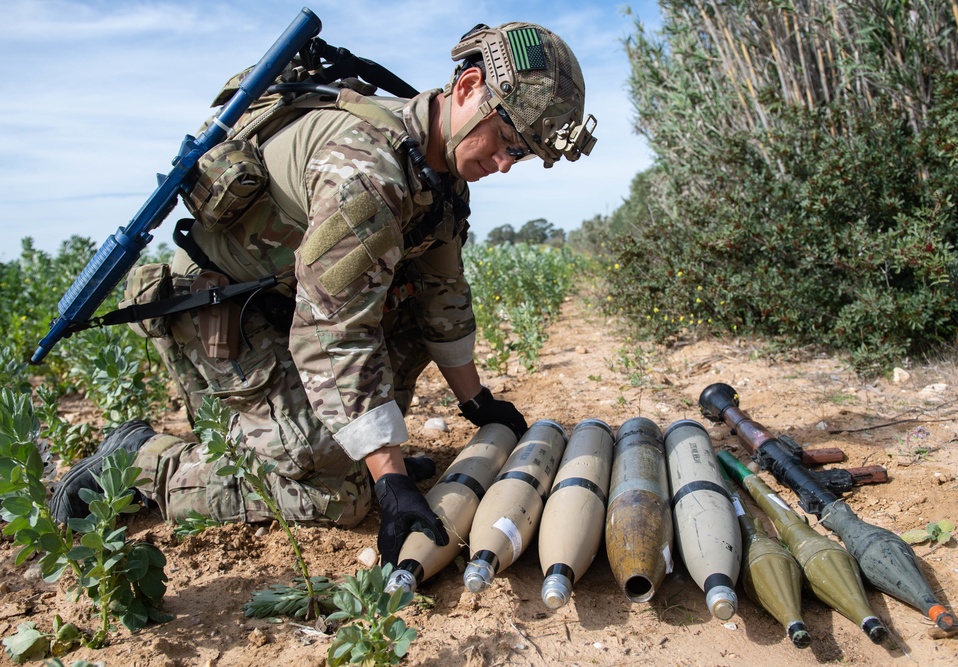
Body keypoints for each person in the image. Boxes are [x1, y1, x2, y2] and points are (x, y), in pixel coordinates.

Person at [49, 22, 596, 566]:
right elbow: (333, 332)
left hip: (285, 303)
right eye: (505, 141)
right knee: (339, 497)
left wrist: (477, 401)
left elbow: (441, 293)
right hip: (220, 315)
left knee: (400, 325)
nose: (503, 164)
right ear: (468, 87)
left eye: (520, 155)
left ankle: (347, 449)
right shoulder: (368, 172)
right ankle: (143, 460)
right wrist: (390, 482)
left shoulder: (442, 179)